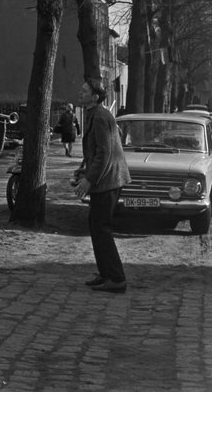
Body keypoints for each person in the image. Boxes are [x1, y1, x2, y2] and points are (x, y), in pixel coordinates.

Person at [74, 79, 131, 293]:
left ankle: (117, 278)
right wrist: (84, 171)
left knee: (102, 228)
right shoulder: (96, 114)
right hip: (106, 179)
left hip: (109, 181)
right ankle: (106, 273)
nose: (80, 93)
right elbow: (95, 152)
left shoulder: (99, 117)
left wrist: (89, 179)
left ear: (95, 96)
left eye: (85, 90)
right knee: (96, 226)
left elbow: (104, 153)